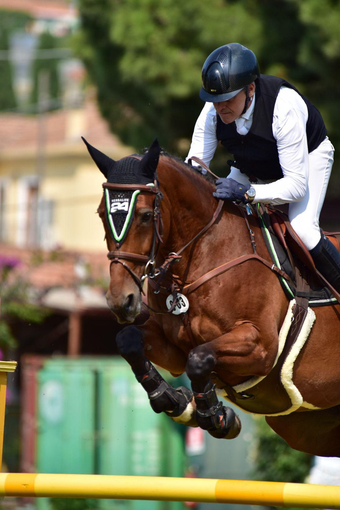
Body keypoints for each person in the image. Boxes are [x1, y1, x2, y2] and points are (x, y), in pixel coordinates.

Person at [186, 42, 340, 293]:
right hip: (255, 164)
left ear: (250, 88)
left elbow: (296, 187)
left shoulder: (283, 105)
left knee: (303, 230)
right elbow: (194, 168)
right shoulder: (212, 112)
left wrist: (248, 193)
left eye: (227, 98)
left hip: (308, 160)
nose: (219, 106)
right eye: (214, 100)